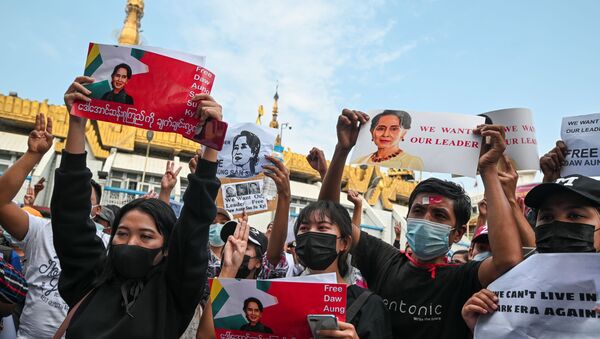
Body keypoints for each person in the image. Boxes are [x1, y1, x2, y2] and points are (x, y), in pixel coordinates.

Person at [318, 109, 523, 338]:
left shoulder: (462, 278)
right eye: (418, 210)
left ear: (457, 234)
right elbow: (327, 218)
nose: (426, 219)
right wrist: (342, 151)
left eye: (439, 215)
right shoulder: (383, 260)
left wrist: (488, 170)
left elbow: (508, 260)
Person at [51, 76, 222, 338]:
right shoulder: (91, 277)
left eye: (146, 236)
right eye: (122, 233)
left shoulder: (172, 292)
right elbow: (70, 213)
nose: (131, 242)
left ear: (167, 248)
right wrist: (76, 121)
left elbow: (195, 220)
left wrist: (212, 139)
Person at [0, 112, 110, 338]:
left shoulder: (109, 245)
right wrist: (32, 155)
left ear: (96, 211)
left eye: (83, 204)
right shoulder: (39, 230)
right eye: (71, 203)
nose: (75, 210)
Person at [355, 110, 424, 170]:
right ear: (372, 131)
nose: (386, 134)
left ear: (403, 133)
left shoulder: (412, 162)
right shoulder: (359, 161)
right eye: (381, 128)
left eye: (394, 129)